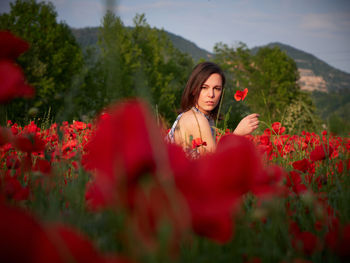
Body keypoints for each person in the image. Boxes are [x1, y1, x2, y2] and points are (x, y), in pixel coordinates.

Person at [167, 61, 259, 156]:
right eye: (204, 87)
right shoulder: (197, 119)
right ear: (194, 89)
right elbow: (214, 164)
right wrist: (237, 134)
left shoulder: (204, 117)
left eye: (217, 88)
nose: (211, 94)